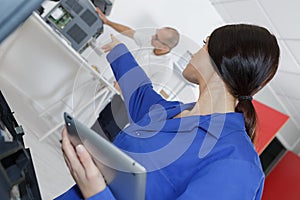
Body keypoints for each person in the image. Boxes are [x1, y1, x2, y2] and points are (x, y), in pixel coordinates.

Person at [55, 24, 280, 199]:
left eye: (205, 43)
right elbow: (141, 93)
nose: (196, 52)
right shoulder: (170, 113)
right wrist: (117, 50)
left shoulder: (238, 165)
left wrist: (95, 192)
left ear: (222, 57)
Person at [96, 7, 180, 92]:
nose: (152, 37)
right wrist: (107, 22)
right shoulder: (151, 42)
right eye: (156, 33)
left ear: (164, 48)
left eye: (156, 37)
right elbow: (130, 32)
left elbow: (150, 93)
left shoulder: (165, 69)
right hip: (115, 81)